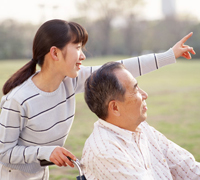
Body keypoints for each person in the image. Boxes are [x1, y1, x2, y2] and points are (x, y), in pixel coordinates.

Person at [0, 18, 195, 180]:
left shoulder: (69, 82)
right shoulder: (18, 100)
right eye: (77, 47)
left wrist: (169, 55)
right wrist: (46, 152)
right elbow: (3, 153)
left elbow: (118, 69)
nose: (83, 55)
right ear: (55, 53)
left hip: (42, 175)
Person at [82, 61, 200, 179]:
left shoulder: (141, 129)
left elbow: (188, 168)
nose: (145, 94)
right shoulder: (105, 150)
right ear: (115, 108)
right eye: (135, 89)